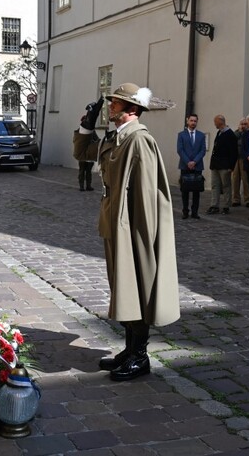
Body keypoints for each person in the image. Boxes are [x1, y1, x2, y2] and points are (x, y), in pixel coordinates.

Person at [72, 83, 180, 381]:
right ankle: (129, 348)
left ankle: (140, 356)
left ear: (131, 109)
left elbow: (147, 193)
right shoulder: (117, 138)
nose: (110, 107)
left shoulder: (139, 140)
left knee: (137, 287)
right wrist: (85, 125)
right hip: (114, 222)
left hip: (132, 226)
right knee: (122, 288)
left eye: (116, 104)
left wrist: (142, 238)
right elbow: (83, 152)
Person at [206, 114, 239, 215]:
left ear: (220, 122)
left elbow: (234, 152)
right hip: (215, 164)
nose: (214, 124)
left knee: (226, 186)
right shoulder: (219, 132)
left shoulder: (230, 134)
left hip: (225, 165)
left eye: (215, 122)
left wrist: (231, 166)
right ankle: (214, 205)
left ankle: (226, 206)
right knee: (215, 185)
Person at [176, 113, 206, 220]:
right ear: (187, 121)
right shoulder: (181, 135)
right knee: (185, 190)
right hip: (185, 165)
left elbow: (202, 150)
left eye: (195, 121)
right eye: (191, 121)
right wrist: (188, 161)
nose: (193, 123)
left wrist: (195, 162)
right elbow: (180, 149)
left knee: (196, 190)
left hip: (197, 166)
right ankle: (185, 211)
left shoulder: (201, 135)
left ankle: (195, 211)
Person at [231, 118, 249, 208]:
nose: (243, 126)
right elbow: (232, 140)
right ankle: (236, 199)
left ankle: (248, 199)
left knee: (246, 179)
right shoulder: (236, 133)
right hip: (236, 158)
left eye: (245, 124)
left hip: (245, 159)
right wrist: (239, 132)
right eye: (241, 124)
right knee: (235, 179)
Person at [76, 114, 100, 191]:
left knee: (88, 171)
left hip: (89, 154)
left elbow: (96, 139)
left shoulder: (91, 131)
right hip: (83, 153)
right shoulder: (80, 130)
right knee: (82, 170)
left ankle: (88, 185)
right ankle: (82, 186)